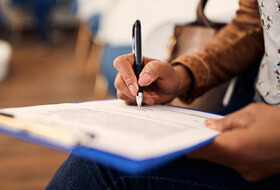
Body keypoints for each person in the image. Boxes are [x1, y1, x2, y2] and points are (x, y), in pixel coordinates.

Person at [47, 0, 280, 189]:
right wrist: (183, 75)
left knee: (100, 167)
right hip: (253, 109)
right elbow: (253, 23)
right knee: (108, 151)